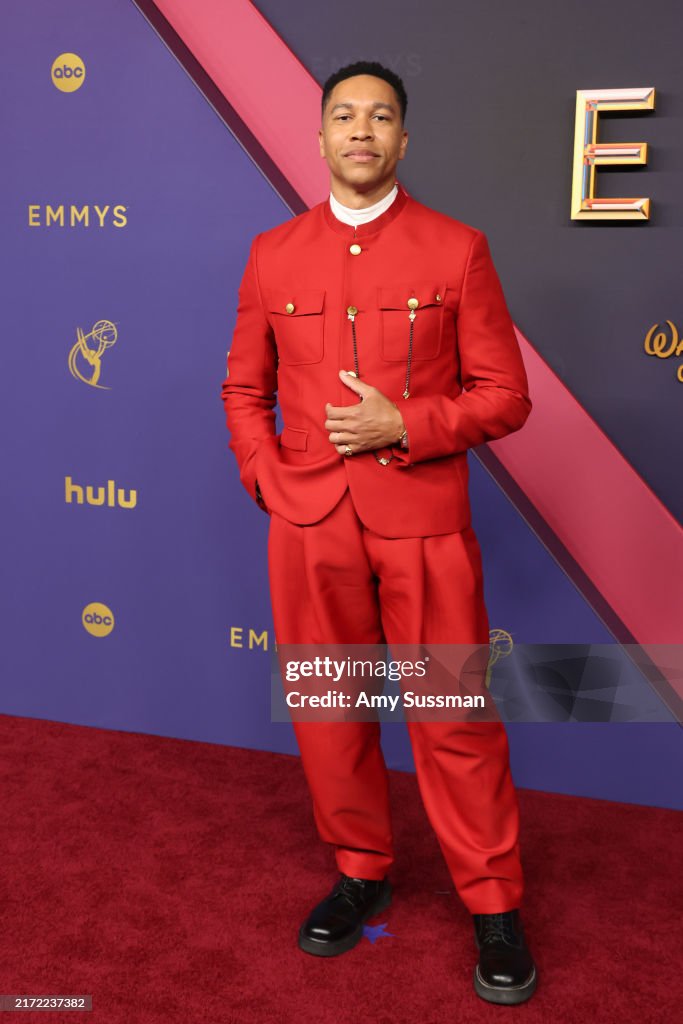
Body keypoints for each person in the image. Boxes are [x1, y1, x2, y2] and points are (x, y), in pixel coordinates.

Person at [220, 60, 536, 1006]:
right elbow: (245, 390)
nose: (361, 130)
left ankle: (494, 905)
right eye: (344, 116)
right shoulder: (273, 251)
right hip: (308, 528)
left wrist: (408, 425)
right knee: (327, 712)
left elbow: (505, 395)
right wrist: (268, 481)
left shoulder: (457, 248)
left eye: (381, 117)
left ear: (403, 141)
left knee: (454, 720)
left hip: (423, 528)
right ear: (319, 137)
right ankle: (361, 871)